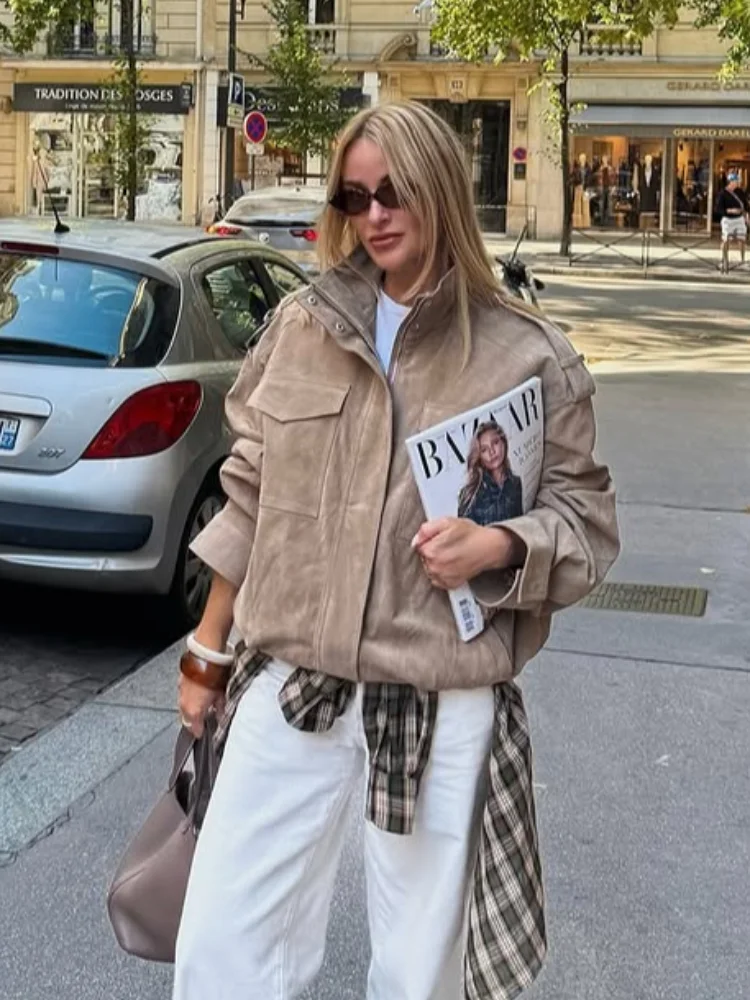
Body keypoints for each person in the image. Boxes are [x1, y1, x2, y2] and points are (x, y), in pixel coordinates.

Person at [174, 101, 620, 1000]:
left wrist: (499, 542)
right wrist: (207, 654)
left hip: (437, 696)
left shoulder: (527, 355)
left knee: (420, 974)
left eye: (394, 192)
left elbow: (588, 524)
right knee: (221, 945)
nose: (374, 215)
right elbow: (248, 500)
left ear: (439, 189)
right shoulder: (301, 329)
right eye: (354, 195)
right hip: (293, 681)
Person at [458, 421, 523, 526]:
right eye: (484, 450)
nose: (491, 452)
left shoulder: (515, 483)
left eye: (495, 442)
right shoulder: (468, 494)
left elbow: (520, 524)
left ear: (504, 443)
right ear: (479, 456)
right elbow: (464, 534)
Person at [716, 172, 748, 272]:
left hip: (739, 218)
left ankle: (742, 260)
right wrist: (730, 211)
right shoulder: (722, 194)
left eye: (737, 181)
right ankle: (723, 261)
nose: (737, 183)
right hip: (728, 219)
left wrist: (746, 215)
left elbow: (745, 205)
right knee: (726, 240)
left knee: (742, 239)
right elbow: (718, 209)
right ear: (730, 182)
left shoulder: (740, 192)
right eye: (736, 181)